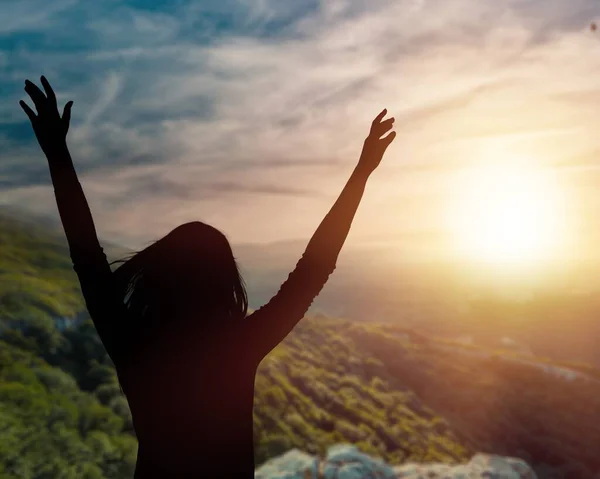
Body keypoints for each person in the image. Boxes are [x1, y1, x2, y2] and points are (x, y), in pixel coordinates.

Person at [20, 76, 396, 478]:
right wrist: (361, 173)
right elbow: (314, 269)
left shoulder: (132, 342)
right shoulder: (238, 347)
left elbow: (86, 252)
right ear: (225, 284)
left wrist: (57, 154)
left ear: (160, 278)